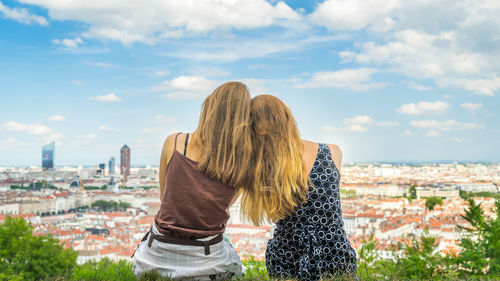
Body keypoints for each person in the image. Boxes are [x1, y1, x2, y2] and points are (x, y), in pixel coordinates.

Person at [133, 81, 253, 280]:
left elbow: (167, 199)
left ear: (209, 108)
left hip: (154, 260)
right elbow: (223, 206)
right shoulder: (244, 161)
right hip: (208, 264)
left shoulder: (174, 141)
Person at [241, 94, 357, 280]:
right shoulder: (332, 152)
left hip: (287, 256)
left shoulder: (258, 167)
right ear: (287, 118)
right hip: (333, 252)